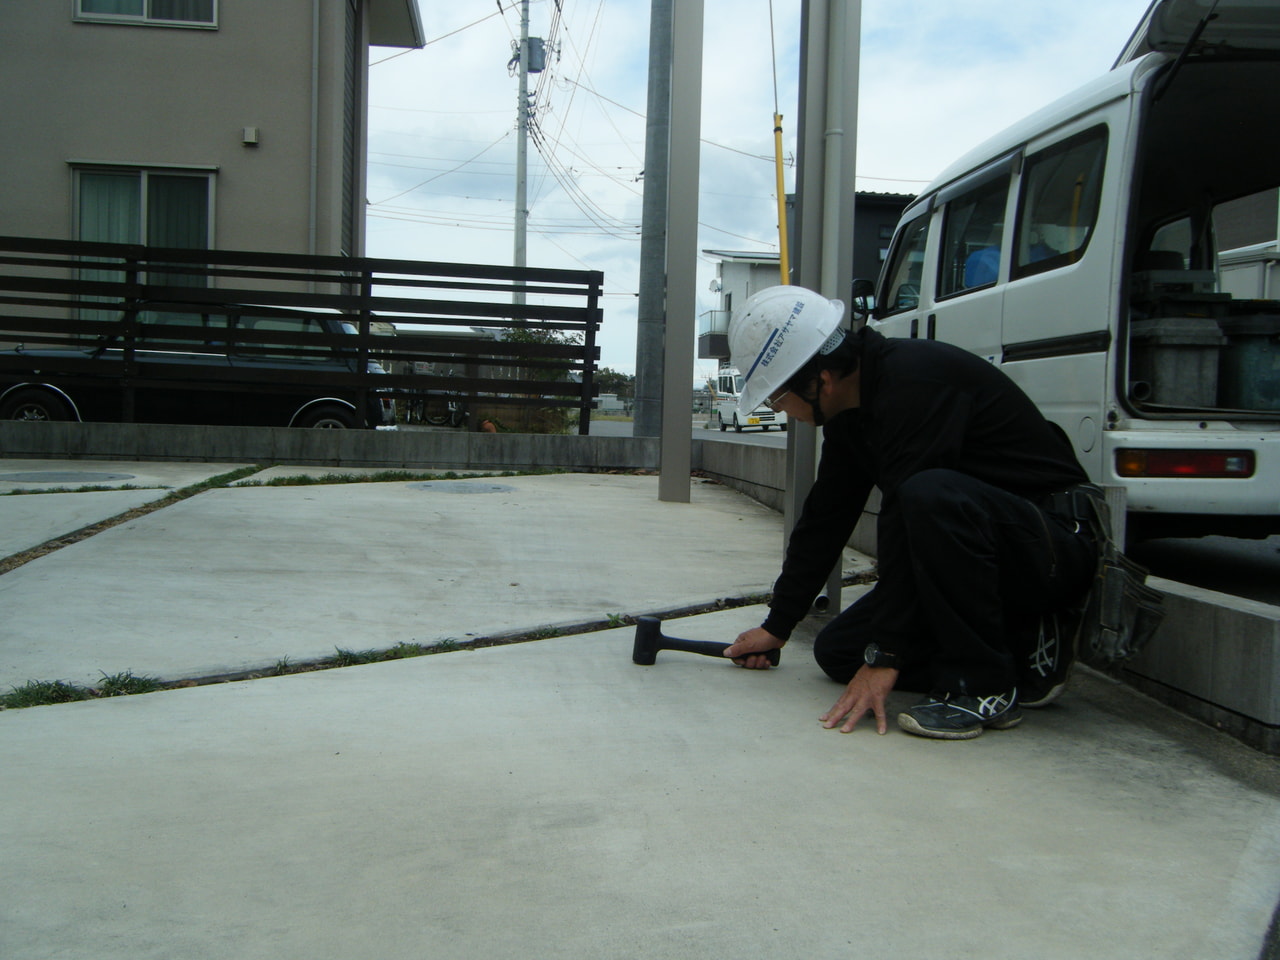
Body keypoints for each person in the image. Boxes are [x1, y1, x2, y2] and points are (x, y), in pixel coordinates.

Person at [720, 286, 1101, 740]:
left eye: (777, 397)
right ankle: (1020, 650)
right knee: (840, 653)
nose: (780, 410)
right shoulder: (851, 413)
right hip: (978, 556)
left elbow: (907, 517)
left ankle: (984, 685)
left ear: (820, 381)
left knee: (928, 493)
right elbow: (826, 518)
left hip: (1052, 547)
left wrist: (887, 655)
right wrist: (778, 625)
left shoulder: (918, 382)